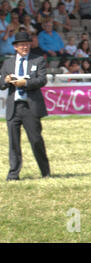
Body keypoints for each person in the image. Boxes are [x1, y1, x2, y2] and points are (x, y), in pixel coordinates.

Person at [0, 31, 50, 180]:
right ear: (15, 47)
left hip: (30, 107)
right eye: (22, 45)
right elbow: (1, 84)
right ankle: (13, 174)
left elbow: (42, 80)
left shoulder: (38, 60)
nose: (25, 47)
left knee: (36, 140)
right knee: (14, 142)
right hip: (13, 107)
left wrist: (25, 83)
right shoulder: (8, 63)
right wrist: (6, 80)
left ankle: (45, 172)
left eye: (27, 44)